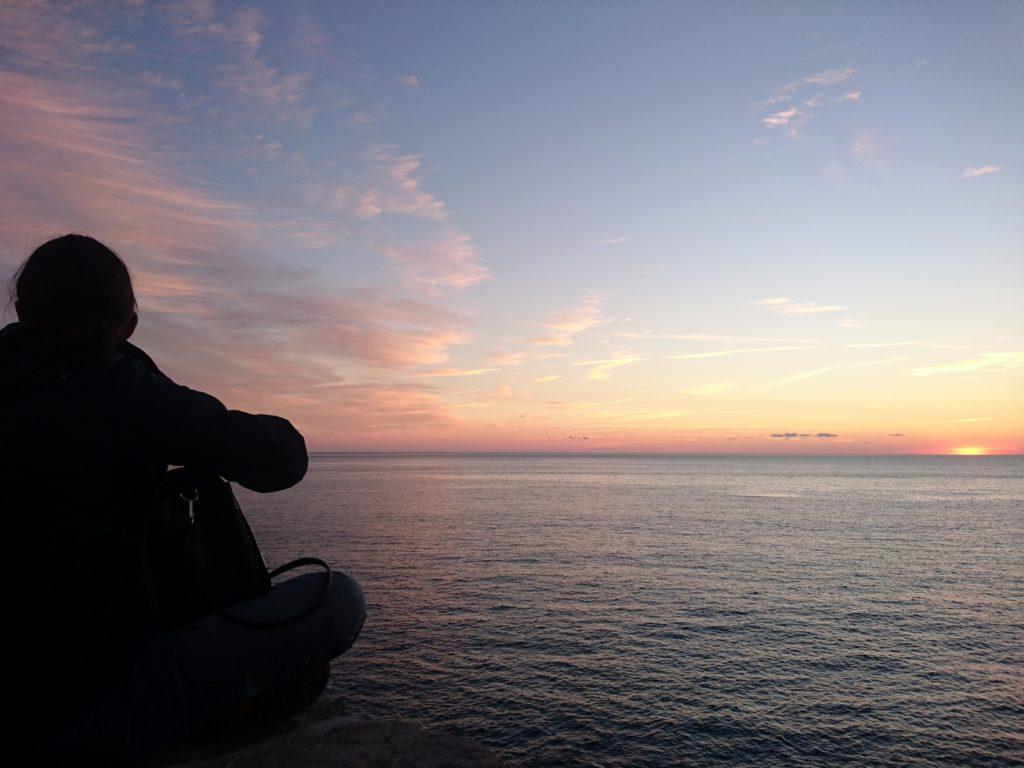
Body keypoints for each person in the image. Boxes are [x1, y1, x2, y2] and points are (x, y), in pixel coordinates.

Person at [0, 234, 366, 763]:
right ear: (126, 321)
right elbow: (283, 459)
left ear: (21, 308)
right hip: (67, 717)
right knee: (338, 602)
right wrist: (138, 374)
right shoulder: (111, 389)